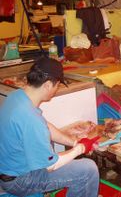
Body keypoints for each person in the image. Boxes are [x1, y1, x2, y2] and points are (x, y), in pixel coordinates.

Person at [0, 57, 100, 197]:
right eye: (57, 85)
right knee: (88, 170)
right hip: (19, 181)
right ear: (47, 85)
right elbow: (50, 165)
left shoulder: (17, 96)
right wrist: (81, 148)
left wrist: (74, 142)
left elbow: (46, 126)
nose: (56, 89)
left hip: (9, 170)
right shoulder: (31, 119)